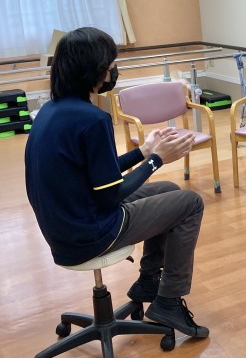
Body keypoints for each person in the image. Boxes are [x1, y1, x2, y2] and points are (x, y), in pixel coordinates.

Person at [25, 26, 209, 339]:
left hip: (65, 226)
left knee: (168, 190)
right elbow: (111, 196)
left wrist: (143, 152)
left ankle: (149, 281)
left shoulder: (51, 111)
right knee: (190, 203)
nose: (114, 71)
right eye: (111, 65)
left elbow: (98, 176)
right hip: (90, 233)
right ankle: (168, 301)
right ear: (95, 71)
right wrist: (157, 159)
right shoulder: (93, 119)